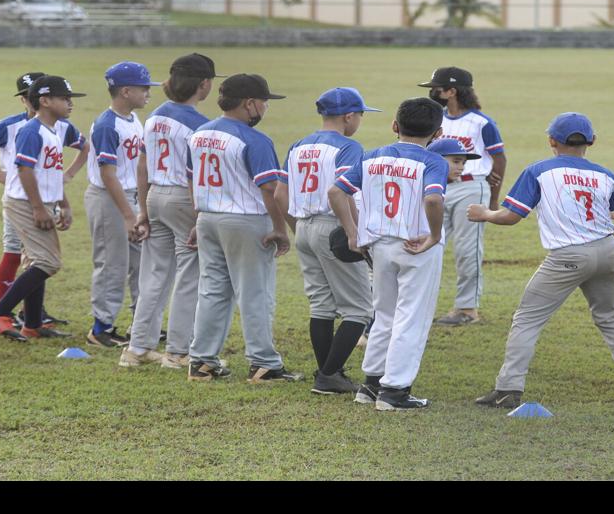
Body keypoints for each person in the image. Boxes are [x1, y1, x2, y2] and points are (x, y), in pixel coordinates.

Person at [467, 112, 614, 409]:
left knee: (527, 319)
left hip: (568, 256)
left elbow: (511, 216)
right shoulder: (605, 174)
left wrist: (484, 214)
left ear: (552, 140)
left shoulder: (539, 170)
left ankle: (508, 389)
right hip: (607, 251)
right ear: (591, 141)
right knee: (610, 316)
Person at [329, 97, 446, 411]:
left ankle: (370, 385)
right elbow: (434, 200)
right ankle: (394, 391)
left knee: (384, 314)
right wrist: (435, 236)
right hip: (416, 246)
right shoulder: (433, 161)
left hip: (379, 245)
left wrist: (354, 233)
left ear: (395, 126)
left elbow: (335, 191)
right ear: (438, 134)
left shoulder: (372, 156)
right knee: (411, 317)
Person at [185, 72, 296, 383]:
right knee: (255, 293)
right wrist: (280, 228)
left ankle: (202, 361)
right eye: (263, 102)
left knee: (212, 291)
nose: (265, 108)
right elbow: (268, 189)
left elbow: (193, 180)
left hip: (208, 217)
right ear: (249, 104)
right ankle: (264, 363)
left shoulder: (199, 133)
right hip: (246, 221)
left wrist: (198, 219)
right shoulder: (255, 139)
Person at [0, 70, 83, 331]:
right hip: (25, 203)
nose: (71, 103)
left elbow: (51, 173)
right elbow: (25, 170)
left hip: (41, 201)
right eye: (65, 98)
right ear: (45, 101)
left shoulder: (54, 130)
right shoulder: (31, 131)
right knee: (47, 262)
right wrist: (39, 208)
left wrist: (64, 203)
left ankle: (32, 324)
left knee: (35, 262)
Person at [123, 52, 215, 369]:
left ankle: (137, 348)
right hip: (183, 198)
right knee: (190, 276)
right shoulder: (201, 125)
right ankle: (177, 352)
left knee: (155, 275)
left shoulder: (155, 116)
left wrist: (142, 211)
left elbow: (143, 164)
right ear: (203, 85)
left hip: (154, 195)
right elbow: (196, 177)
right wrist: (200, 214)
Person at [287, 86, 376, 394]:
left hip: (304, 226)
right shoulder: (348, 147)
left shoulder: (298, 144)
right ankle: (328, 375)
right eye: (361, 115)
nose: (360, 121)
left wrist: (297, 229)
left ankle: (328, 373)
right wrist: (354, 232)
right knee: (359, 309)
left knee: (321, 304)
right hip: (332, 227)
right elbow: (340, 192)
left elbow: (279, 192)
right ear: (349, 116)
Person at [419, 66, 505, 326]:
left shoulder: (481, 122)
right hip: (437, 187)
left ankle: (467, 309)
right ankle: (417, 304)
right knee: (423, 242)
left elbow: (499, 159)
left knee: (467, 251)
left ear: (451, 91)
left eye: (436, 87)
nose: (432, 91)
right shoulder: (436, 119)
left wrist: (491, 199)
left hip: (471, 186)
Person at [84, 60, 152, 349]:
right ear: (126, 91)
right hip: (109, 199)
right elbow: (107, 173)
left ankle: (143, 322)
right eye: (143, 88)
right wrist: (128, 214)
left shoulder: (133, 119)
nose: (148, 93)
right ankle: (101, 328)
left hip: (130, 198)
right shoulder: (107, 124)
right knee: (112, 263)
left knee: (141, 263)